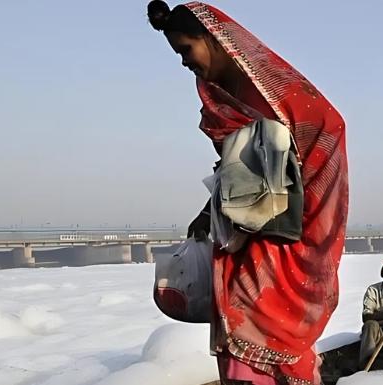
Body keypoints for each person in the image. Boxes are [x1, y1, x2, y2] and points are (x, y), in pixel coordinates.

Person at [146, 2, 348, 384]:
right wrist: (210, 213)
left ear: (213, 38)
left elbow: (329, 127)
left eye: (186, 50)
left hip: (283, 246)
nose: (184, 63)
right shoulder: (218, 97)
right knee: (238, 332)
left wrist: (295, 190)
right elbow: (232, 171)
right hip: (238, 241)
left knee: (275, 330)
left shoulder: (275, 92)